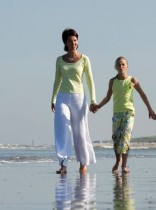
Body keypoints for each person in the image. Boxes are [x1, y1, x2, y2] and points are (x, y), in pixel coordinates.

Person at [96, 56, 156, 173]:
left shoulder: (132, 80)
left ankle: (124, 165)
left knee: (125, 137)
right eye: (119, 64)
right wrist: (98, 106)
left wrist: (150, 109)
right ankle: (118, 161)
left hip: (129, 112)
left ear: (127, 66)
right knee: (116, 139)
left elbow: (142, 94)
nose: (121, 66)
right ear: (115, 67)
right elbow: (108, 97)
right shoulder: (112, 81)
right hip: (117, 113)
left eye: (123, 64)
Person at [51, 28, 98, 174]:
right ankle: (63, 164)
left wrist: (93, 100)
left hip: (79, 98)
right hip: (62, 98)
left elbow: (90, 81)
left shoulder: (85, 59)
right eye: (71, 41)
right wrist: (52, 98)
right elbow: (57, 80)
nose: (74, 43)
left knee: (80, 132)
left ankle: (83, 163)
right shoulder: (59, 60)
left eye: (75, 40)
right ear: (65, 42)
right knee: (63, 128)